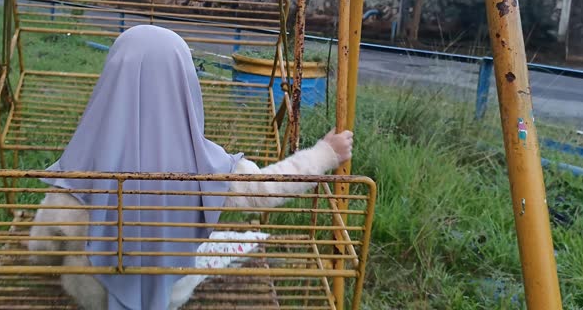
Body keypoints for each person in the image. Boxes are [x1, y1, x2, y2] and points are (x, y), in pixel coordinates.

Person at [29, 25, 353, 310]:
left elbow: (43, 247)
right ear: (185, 84)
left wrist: (44, 257)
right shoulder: (205, 165)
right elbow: (266, 189)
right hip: (169, 292)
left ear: (110, 82)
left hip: (91, 295)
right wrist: (325, 153)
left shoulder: (80, 166)